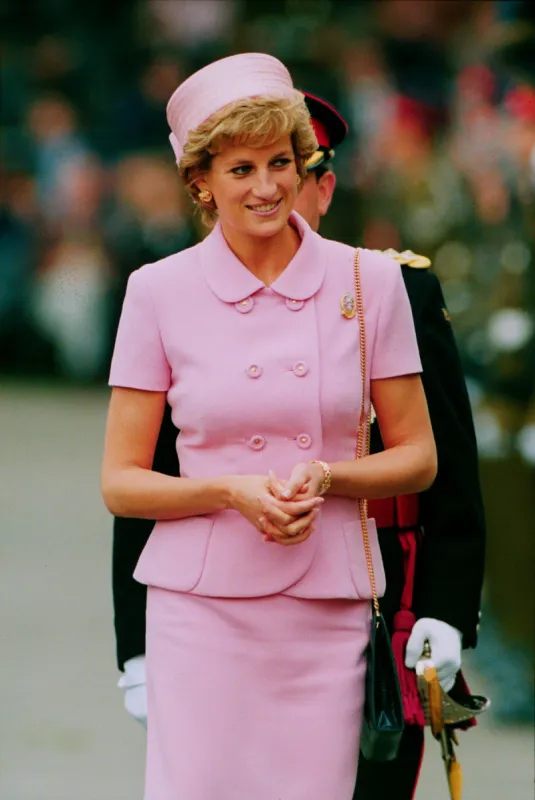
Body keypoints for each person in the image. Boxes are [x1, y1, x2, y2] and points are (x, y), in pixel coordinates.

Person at [102, 52, 436, 800]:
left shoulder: (370, 281)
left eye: (281, 163)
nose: (266, 188)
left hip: (325, 611)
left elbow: (418, 457)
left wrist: (329, 476)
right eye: (240, 169)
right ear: (201, 183)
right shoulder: (155, 293)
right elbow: (121, 483)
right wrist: (230, 493)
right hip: (200, 614)